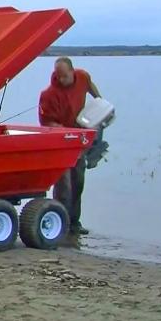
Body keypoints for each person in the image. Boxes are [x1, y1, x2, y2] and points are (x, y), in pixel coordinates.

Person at [38, 56, 102, 236]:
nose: (61, 79)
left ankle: (75, 223)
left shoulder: (82, 77)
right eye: (58, 76)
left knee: (78, 181)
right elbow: (46, 122)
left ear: (72, 72)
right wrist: (63, 130)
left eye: (65, 76)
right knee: (64, 186)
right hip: (61, 143)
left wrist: (99, 100)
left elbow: (91, 86)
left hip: (80, 139)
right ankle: (60, 223)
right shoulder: (48, 94)